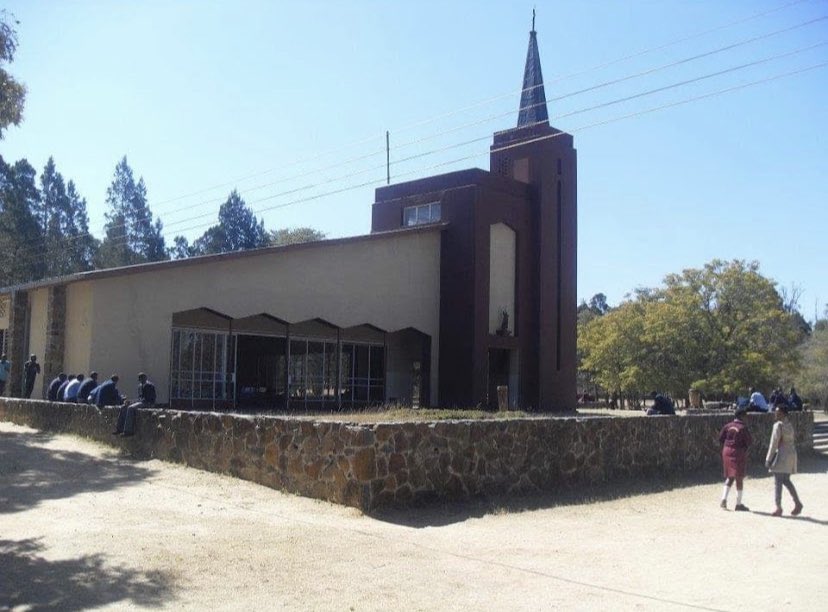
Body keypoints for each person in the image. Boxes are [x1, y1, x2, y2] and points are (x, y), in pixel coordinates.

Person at [765, 403, 803, 517]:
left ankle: (778, 507)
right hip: (791, 454)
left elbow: (774, 443)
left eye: (778, 412)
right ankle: (797, 503)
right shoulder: (789, 425)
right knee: (786, 480)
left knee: (778, 482)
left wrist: (768, 458)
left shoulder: (778, 425)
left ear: (782, 413)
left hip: (781, 455)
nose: (776, 413)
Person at [718, 406, 752, 511]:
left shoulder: (728, 426)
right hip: (738, 452)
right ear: (742, 416)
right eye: (746, 416)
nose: (747, 418)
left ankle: (723, 499)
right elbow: (749, 441)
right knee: (739, 477)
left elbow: (721, 438)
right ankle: (738, 504)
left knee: (730, 476)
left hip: (726, 451)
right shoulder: (743, 428)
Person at [113, 372, 156, 437]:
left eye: (142, 378)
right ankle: (119, 429)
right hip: (142, 402)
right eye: (140, 378)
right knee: (124, 407)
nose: (141, 380)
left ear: (145, 378)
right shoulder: (140, 386)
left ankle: (128, 431)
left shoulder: (149, 385)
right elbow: (139, 398)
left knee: (131, 408)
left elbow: (148, 398)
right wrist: (131, 401)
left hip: (148, 403)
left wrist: (133, 402)